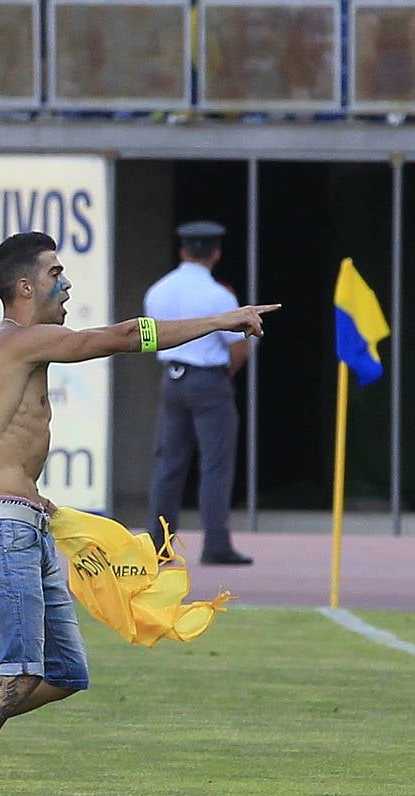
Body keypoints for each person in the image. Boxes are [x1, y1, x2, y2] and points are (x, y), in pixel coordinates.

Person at [0, 231, 276, 796]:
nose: (67, 281)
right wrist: (222, 321)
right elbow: (128, 336)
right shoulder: (17, 342)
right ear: (24, 287)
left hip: (29, 524)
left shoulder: (26, 348)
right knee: (22, 672)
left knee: (64, 675)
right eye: (56, 272)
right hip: (1, 529)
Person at [145, 221, 254, 566]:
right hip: (209, 380)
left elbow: (152, 338)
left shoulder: (158, 290)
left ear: (182, 251)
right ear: (216, 253)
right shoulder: (220, 295)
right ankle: (216, 544)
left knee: (168, 464)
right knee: (215, 464)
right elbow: (238, 348)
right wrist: (221, 375)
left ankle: (159, 545)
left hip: (172, 378)